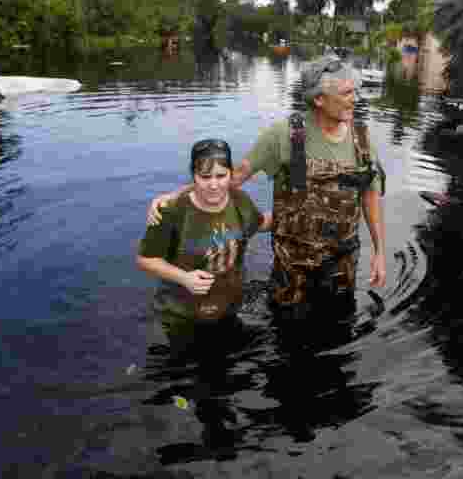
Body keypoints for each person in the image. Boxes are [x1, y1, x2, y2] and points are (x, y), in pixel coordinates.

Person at [146, 56, 386, 320]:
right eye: (346, 93)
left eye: (355, 91)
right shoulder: (284, 135)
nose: (355, 98)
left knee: (340, 323)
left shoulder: (362, 139)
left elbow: (370, 196)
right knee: (287, 330)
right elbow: (234, 177)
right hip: (293, 267)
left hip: (343, 264)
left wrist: (380, 252)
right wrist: (175, 196)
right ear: (319, 99)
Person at [136, 138, 272, 344]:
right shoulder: (171, 211)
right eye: (205, 177)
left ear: (231, 174)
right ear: (194, 176)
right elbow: (145, 259)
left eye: (221, 175)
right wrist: (184, 277)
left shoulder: (240, 201)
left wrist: (297, 208)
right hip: (182, 318)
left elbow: (261, 223)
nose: (214, 185)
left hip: (228, 311)